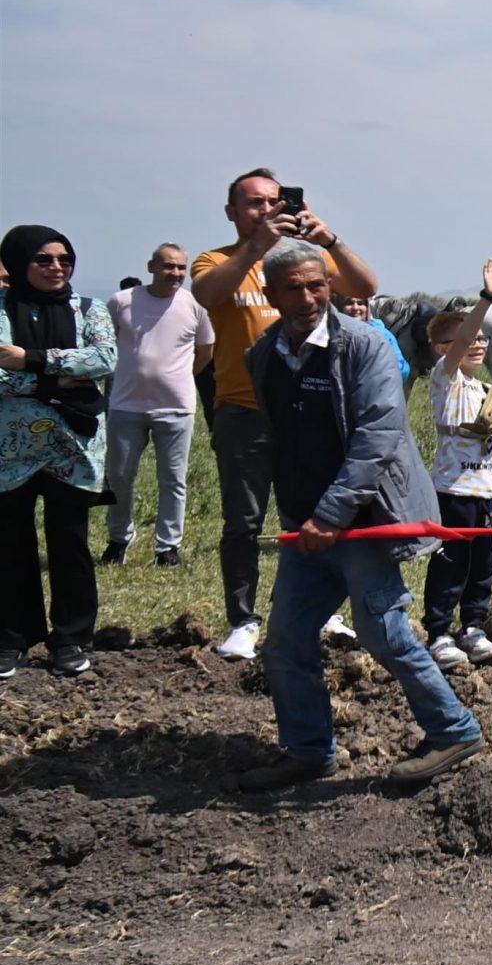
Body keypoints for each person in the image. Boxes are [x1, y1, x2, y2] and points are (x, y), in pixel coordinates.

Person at [229, 238, 482, 790]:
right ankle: (310, 749)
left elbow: (377, 437)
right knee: (287, 642)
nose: (308, 297)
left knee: (385, 632)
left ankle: (454, 729)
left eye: (317, 285)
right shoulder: (264, 353)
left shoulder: (364, 346)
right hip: (309, 527)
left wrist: (331, 514)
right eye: (293, 288)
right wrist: (306, 517)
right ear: (271, 294)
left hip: (365, 516)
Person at [192, 169, 380, 661]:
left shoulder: (307, 260)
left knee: (314, 513)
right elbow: (208, 297)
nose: (267, 210)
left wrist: (330, 241)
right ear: (232, 212)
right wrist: (256, 248)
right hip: (244, 408)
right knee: (244, 520)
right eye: (254, 203)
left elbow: (365, 285)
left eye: (276, 201)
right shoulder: (217, 260)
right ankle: (243, 619)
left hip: (312, 410)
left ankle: (322, 609)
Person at [0, 227, 115, 680]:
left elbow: (104, 359)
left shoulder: (89, 309)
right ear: (19, 262)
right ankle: (13, 638)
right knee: (10, 547)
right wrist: (61, 376)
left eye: (64, 259)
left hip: (74, 449)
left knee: (70, 544)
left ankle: (70, 638)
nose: (56, 267)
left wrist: (29, 360)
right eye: (44, 260)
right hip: (11, 452)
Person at [420, 261, 492, 674]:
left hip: (483, 493)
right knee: (451, 563)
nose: (478, 344)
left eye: (482, 338)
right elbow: (460, 339)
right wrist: (487, 298)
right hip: (453, 490)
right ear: (444, 348)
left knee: (483, 566)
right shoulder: (446, 380)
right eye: (467, 339)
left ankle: (473, 628)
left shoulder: (488, 391)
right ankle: (440, 633)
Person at [102, 243, 213, 568]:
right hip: (126, 404)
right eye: (168, 266)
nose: (175, 273)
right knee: (119, 475)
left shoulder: (195, 304)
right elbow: (104, 344)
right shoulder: (122, 301)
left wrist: (178, 376)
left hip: (177, 407)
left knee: (173, 479)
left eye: (180, 267)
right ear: (152, 267)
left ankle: (168, 547)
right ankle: (119, 538)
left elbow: (205, 349)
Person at [337, 294, 412, 385]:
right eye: (349, 303)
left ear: (367, 308)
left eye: (360, 303)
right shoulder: (331, 333)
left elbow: (401, 369)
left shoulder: (382, 335)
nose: (355, 307)